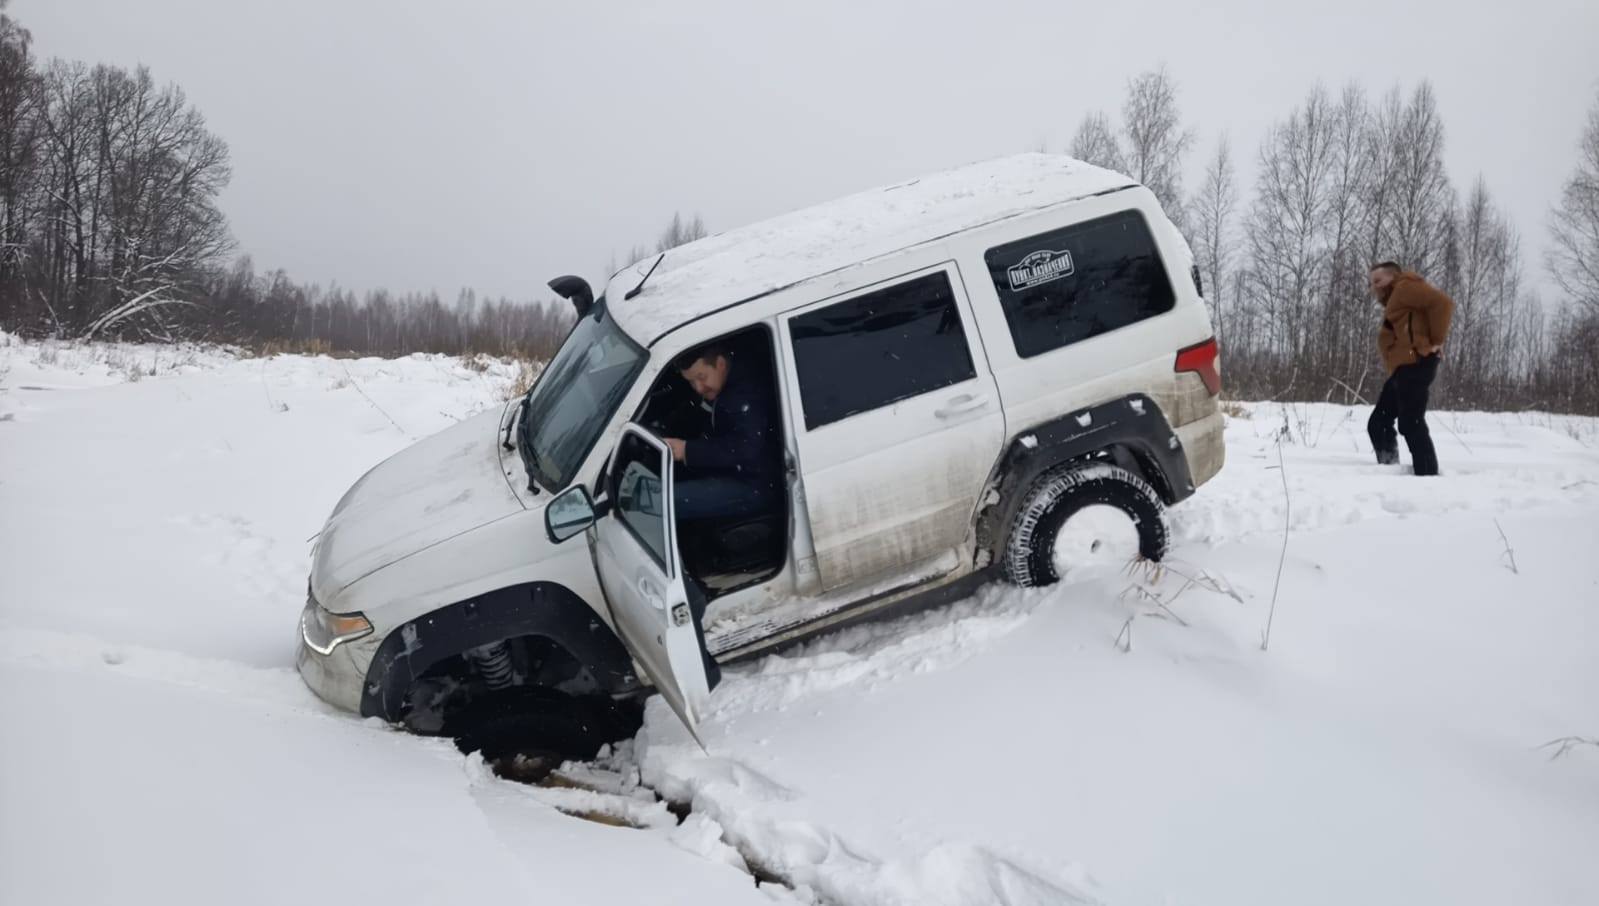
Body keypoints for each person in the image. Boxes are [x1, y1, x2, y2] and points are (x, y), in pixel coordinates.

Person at [663, 343, 782, 521]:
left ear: (720, 364)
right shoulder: (721, 385)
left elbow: (745, 447)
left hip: (755, 483)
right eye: (690, 381)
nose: (698, 387)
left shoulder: (746, 393)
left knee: (664, 503)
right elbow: (695, 412)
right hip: (730, 469)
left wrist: (687, 450)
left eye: (701, 377)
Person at [1366, 261, 1454, 476]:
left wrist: (1436, 341)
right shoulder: (1396, 298)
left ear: (1393, 276)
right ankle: (1389, 469)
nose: (1374, 287)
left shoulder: (1405, 287)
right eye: (1371, 283)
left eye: (1378, 281)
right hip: (1404, 367)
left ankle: (1427, 476)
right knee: (1379, 422)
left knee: (1410, 421)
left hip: (1416, 363)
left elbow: (1442, 303)